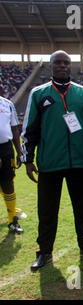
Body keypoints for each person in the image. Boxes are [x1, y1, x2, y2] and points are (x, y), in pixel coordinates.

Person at [21, 50, 83, 272]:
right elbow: (30, 130)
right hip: (49, 163)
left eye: (66, 63)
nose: (63, 66)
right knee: (47, 211)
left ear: (71, 66)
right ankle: (44, 252)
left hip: (79, 163)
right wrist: (28, 160)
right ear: (51, 66)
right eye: (58, 62)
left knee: (82, 209)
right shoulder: (39, 94)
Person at [0, 95, 23, 234]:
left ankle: (12, 220)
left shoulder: (7, 104)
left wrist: (19, 151)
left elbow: (15, 129)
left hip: (5, 149)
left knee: (8, 184)